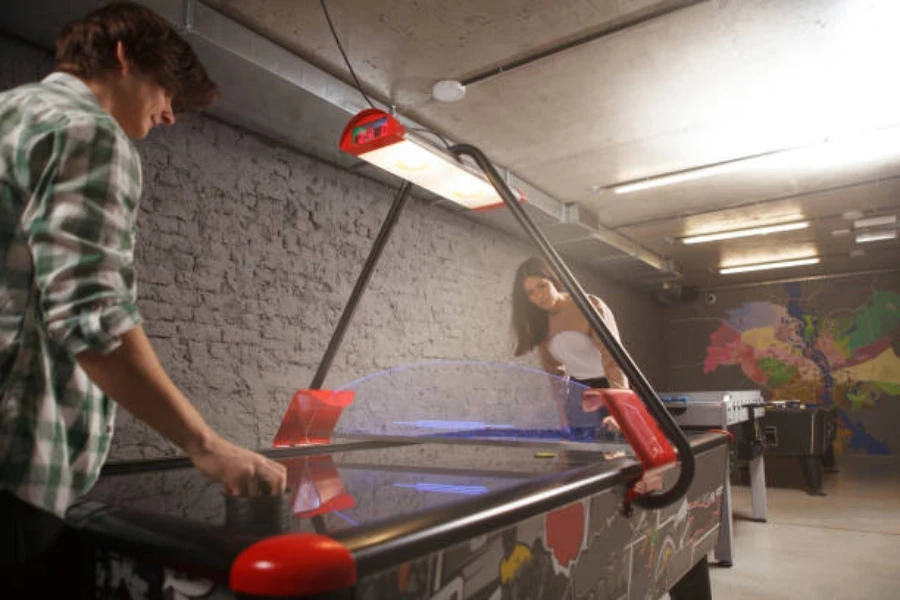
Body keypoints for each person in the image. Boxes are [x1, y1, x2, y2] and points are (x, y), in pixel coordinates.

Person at [0, 2, 286, 591]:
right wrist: (204, 445)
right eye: (166, 90)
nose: (171, 115)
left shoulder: (9, 115)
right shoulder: (87, 130)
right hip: (13, 470)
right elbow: (90, 316)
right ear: (124, 57)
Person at [511, 257, 628, 436]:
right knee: (577, 452)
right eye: (531, 293)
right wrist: (561, 417)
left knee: (615, 449)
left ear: (554, 280)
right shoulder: (540, 322)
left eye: (542, 286)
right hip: (578, 391)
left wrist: (619, 410)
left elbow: (613, 358)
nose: (539, 295)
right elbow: (554, 375)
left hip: (612, 386)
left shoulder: (589, 306)